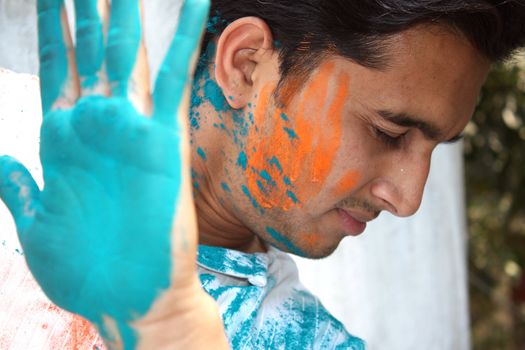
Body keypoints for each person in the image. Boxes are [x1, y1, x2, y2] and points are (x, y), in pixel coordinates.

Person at [0, 0, 524, 349]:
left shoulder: (303, 340)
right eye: (389, 132)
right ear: (247, 65)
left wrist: (172, 333)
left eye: (437, 146)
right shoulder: (16, 138)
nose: (409, 198)